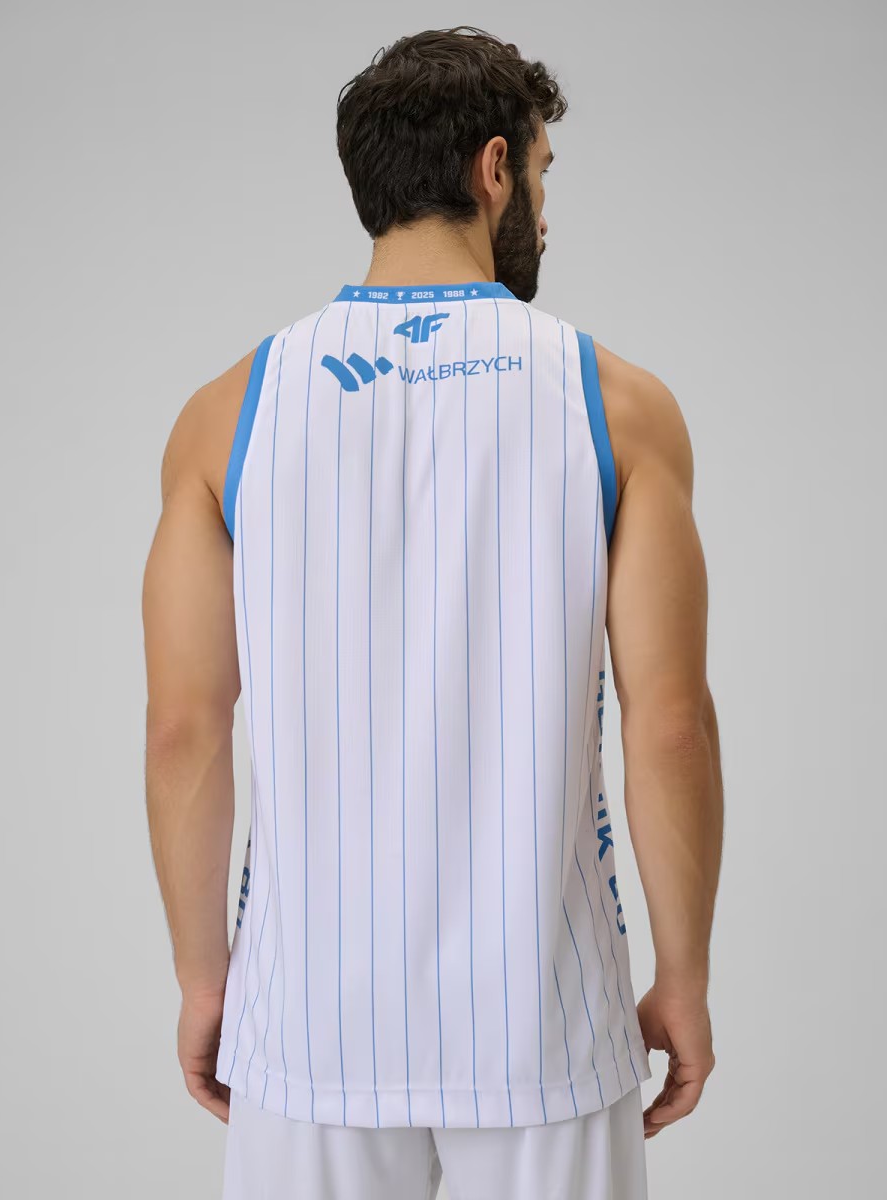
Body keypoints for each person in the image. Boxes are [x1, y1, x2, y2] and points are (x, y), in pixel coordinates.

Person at [142, 24, 723, 1200]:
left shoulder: (228, 412)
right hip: (548, 1026)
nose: (546, 211)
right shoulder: (616, 405)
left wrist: (205, 978)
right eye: (544, 174)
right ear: (493, 169)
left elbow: (185, 727)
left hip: (308, 1029)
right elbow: (668, 723)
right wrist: (685, 975)